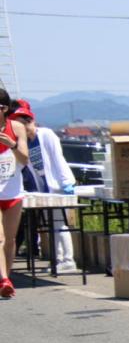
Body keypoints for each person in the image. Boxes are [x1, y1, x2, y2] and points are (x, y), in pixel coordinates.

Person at [10, 99, 78, 272]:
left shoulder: (46, 134)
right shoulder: (28, 142)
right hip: (45, 189)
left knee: (59, 223)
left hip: (58, 185)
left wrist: (66, 183)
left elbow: (57, 159)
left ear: (28, 122)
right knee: (53, 224)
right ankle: (59, 259)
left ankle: (67, 259)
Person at [0, 88, 29, 298]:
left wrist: (11, 145)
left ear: (5, 109)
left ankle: (5, 281)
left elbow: (24, 159)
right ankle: (4, 278)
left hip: (13, 191)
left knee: (10, 240)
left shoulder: (16, 127)